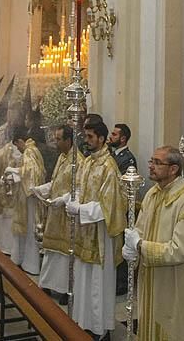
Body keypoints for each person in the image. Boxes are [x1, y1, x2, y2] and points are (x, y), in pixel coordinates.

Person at [126, 145, 184, 341]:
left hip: (177, 283)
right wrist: (130, 247)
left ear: (173, 169)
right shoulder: (153, 194)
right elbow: (140, 228)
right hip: (152, 281)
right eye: (151, 161)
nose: (151, 166)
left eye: (157, 162)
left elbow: (179, 250)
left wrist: (140, 245)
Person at [63, 119, 126, 339]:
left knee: (98, 285)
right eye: (85, 136)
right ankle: (83, 322)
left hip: (100, 236)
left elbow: (109, 206)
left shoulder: (109, 167)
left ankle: (100, 329)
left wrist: (80, 209)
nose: (87, 141)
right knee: (83, 281)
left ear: (101, 138)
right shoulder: (89, 162)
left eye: (91, 137)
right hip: (84, 233)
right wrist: (70, 199)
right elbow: (80, 187)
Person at [33, 124, 78, 303]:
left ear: (68, 140)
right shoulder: (62, 157)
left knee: (65, 253)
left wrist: (64, 199)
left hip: (67, 215)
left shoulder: (77, 161)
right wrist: (41, 189)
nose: (55, 142)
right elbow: (55, 181)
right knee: (52, 250)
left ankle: (66, 288)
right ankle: (48, 283)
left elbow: (79, 188)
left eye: (59, 139)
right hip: (54, 213)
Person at [10, 126, 46, 274]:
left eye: (17, 146)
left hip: (30, 197)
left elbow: (30, 172)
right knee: (28, 227)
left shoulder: (29, 151)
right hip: (28, 196)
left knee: (31, 228)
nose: (18, 150)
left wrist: (14, 171)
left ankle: (31, 264)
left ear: (20, 141)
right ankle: (24, 260)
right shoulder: (33, 149)